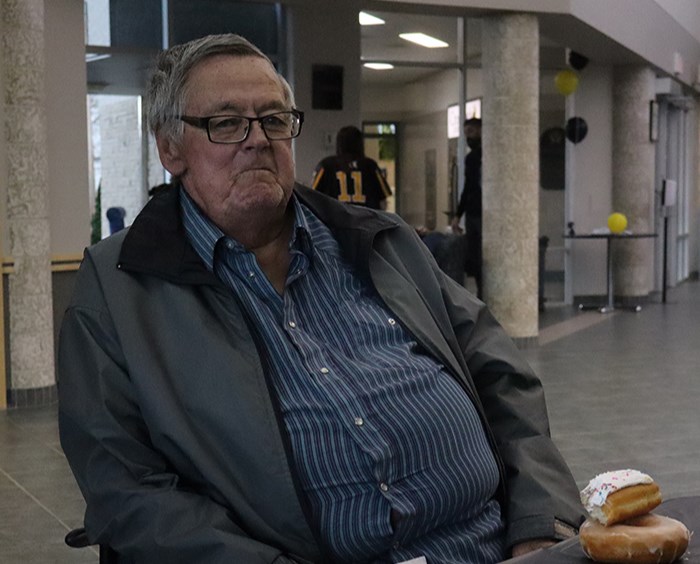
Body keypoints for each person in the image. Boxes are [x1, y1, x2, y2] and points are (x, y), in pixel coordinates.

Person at [58, 33, 584, 564]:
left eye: (273, 119)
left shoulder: (382, 241)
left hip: (493, 547)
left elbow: (502, 377)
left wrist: (541, 524)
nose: (257, 139)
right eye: (226, 123)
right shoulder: (118, 288)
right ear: (170, 148)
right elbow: (125, 489)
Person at [311, 125, 392, 210]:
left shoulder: (326, 165)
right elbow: (383, 201)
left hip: (335, 219)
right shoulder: (370, 166)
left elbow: (312, 196)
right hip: (366, 219)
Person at [451, 118, 483, 298]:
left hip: (482, 214)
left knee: (480, 256)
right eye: (466, 133)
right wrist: (458, 214)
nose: (468, 137)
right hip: (473, 212)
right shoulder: (471, 159)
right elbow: (468, 187)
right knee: (475, 256)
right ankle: (481, 292)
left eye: (471, 132)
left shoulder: (484, 157)